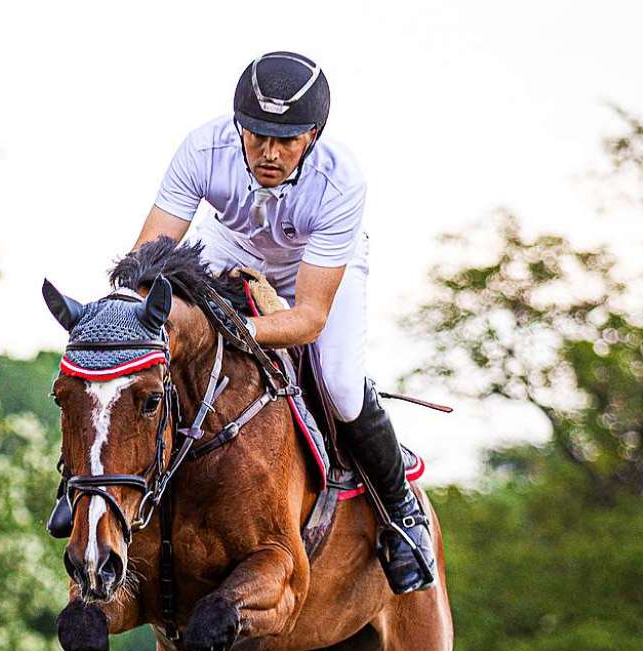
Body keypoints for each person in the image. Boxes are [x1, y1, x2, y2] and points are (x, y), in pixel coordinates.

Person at [132, 51, 434, 594]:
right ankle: (108, 489)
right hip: (230, 245)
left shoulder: (341, 181)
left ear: (313, 135)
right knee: (153, 342)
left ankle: (400, 512)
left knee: (340, 385)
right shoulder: (203, 148)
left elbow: (309, 318)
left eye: (287, 140)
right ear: (237, 126)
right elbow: (145, 262)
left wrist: (221, 326)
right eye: (256, 135)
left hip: (314, 269)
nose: (269, 153)